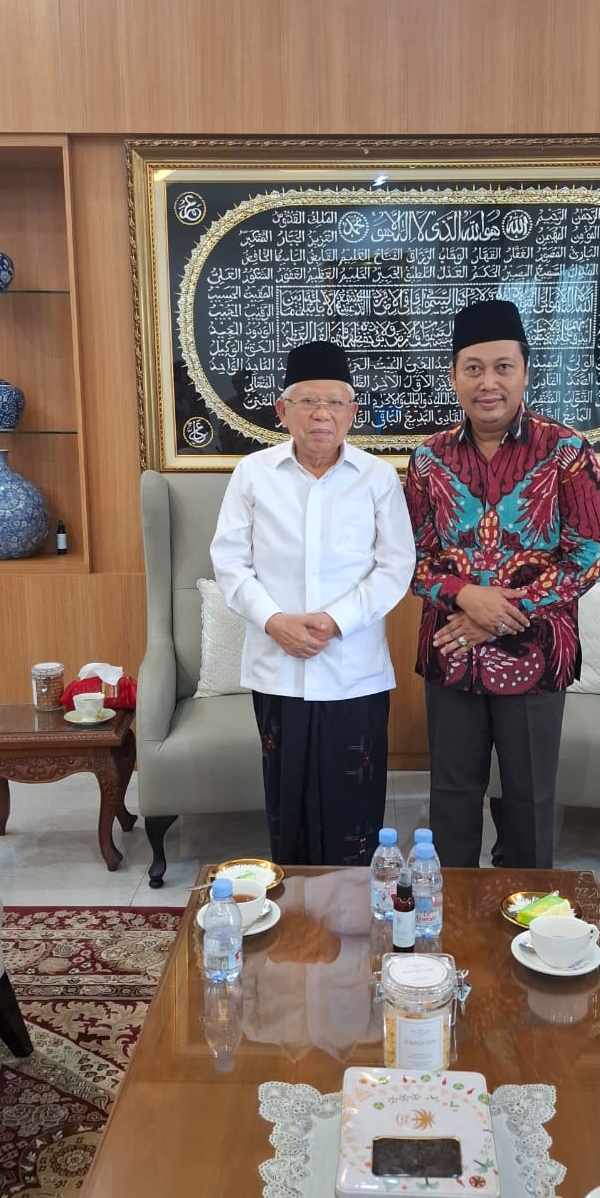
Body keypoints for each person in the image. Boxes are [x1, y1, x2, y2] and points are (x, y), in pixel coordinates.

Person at [404, 300, 600, 869]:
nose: (488, 383)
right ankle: (451, 911)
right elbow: (411, 557)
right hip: (451, 652)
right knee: (451, 799)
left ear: (525, 372)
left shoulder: (566, 451)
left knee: (530, 800)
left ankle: (527, 913)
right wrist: (465, 596)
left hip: (536, 652)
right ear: (454, 376)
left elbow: (590, 553)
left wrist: (501, 614)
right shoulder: (427, 460)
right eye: (473, 368)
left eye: (502, 367)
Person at [211, 339, 415, 866]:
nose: (322, 414)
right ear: (282, 411)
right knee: (288, 800)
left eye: (334, 402)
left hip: (354, 670)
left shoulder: (377, 478)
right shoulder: (253, 473)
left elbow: (396, 567)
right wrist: (274, 621)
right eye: (308, 401)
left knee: (355, 807)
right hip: (277, 667)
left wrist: (334, 620)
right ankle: (293, 905)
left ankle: (353, 905)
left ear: (352, 412)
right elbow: (229, 562)